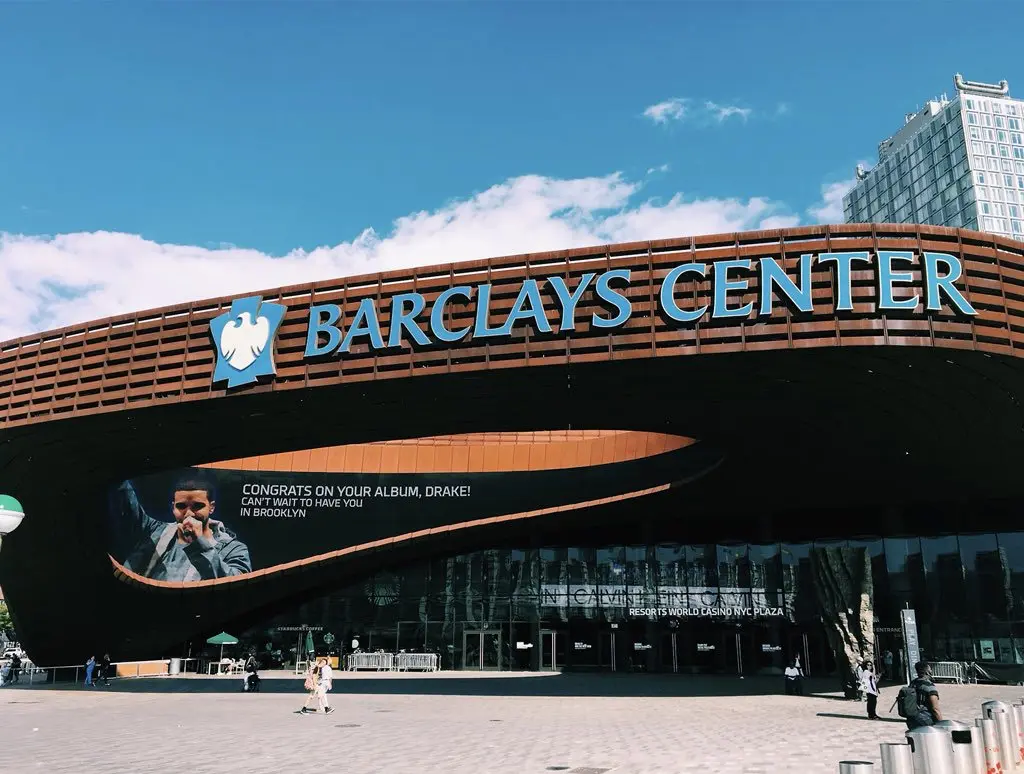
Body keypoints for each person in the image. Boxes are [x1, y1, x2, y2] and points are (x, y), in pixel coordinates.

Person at [110, 477, 251, 582]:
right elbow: (125, 500)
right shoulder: (154, 531)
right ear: (173, 507)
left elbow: (236, 584)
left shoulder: (234, 549)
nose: (189, 513)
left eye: (197, 506)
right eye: (181, 506)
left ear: (211, 507)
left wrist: (199, 544)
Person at [898, 661, 943, 729]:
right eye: (930, 669)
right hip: (925, 720)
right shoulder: (929, 686)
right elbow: (935, 709)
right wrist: (941, 725)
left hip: (911, 719)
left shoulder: (913, 683)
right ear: (927, 671)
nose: (931, 670)